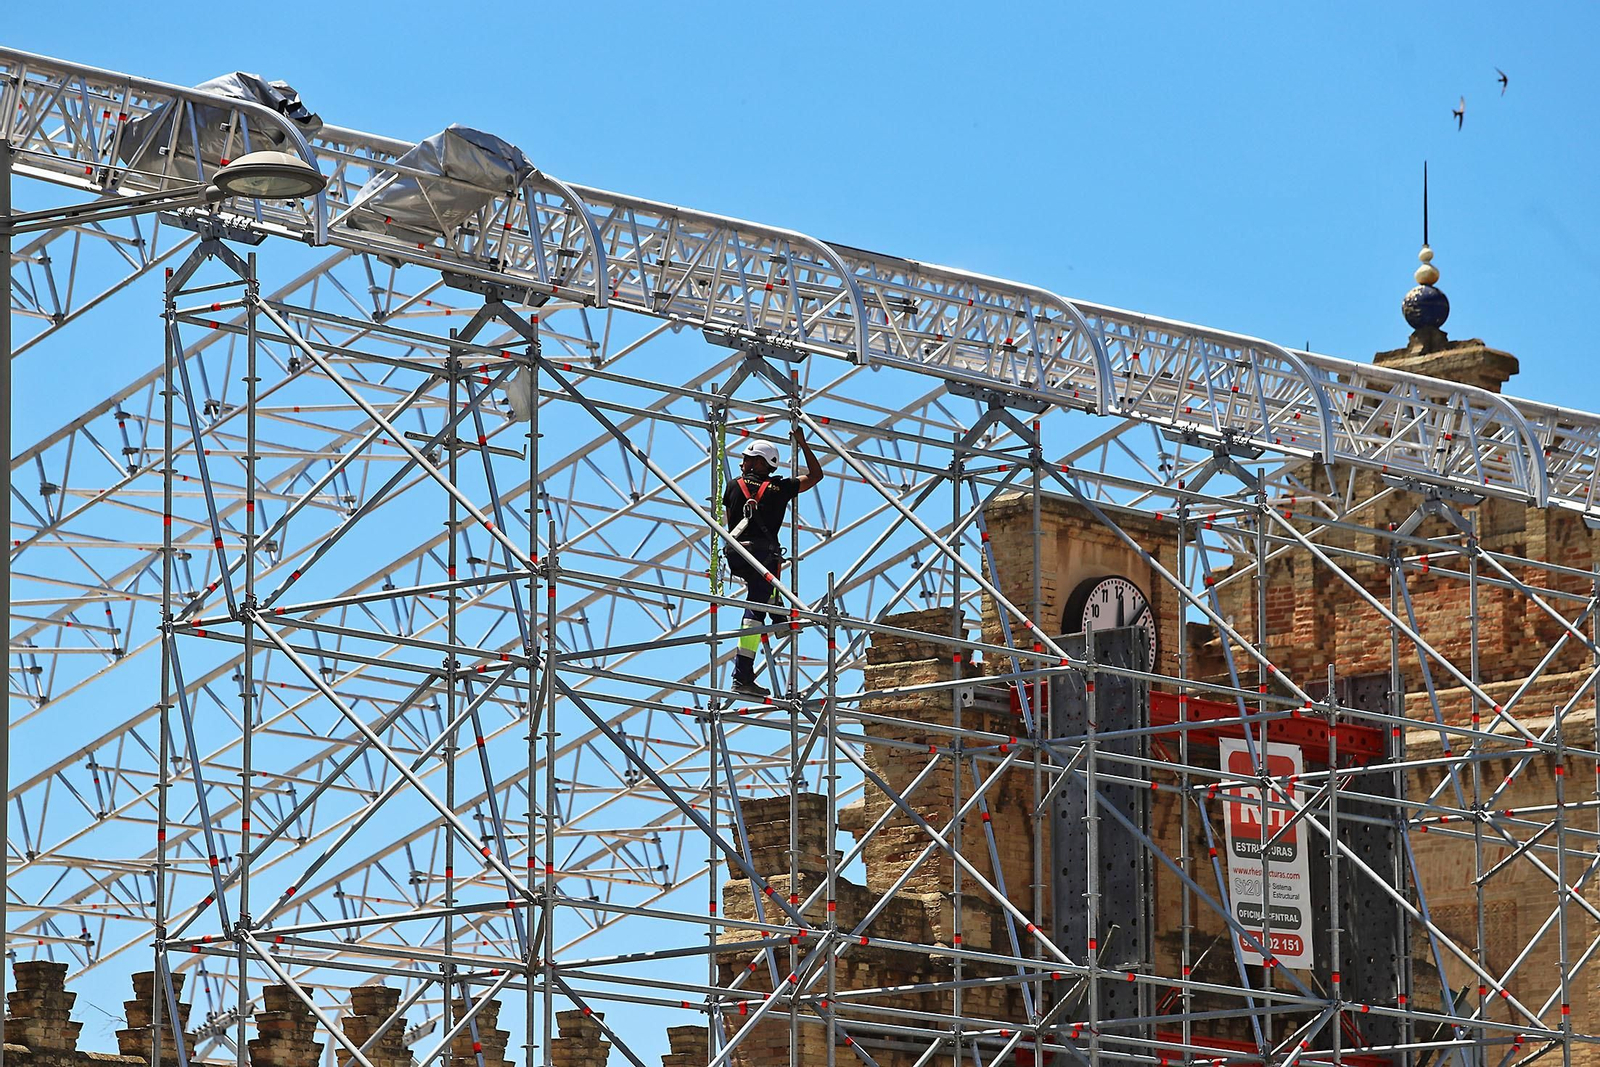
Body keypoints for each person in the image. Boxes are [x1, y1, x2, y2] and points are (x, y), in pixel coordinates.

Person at [723, 435, 824, 697]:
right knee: (756, 605)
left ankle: (777, 613)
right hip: (762, 554)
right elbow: (815, 475)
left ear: (759, 463)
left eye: (746, 460)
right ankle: (742, 674)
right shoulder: (779, 489)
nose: (742, 464)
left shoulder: (733, 486)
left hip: (735, 553)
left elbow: (727, 522)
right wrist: (802, 443)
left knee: (763, 592)